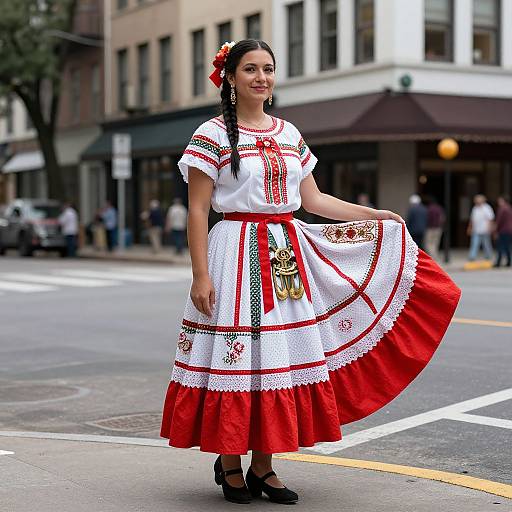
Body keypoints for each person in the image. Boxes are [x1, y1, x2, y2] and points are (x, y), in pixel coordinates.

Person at [160, 39, 461, 506]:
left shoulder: (288, 133)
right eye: (251, 69)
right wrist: (201, 276)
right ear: (231, 78)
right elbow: (198, 210)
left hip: (284, 251)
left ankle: (264, 467)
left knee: (278, 359)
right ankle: (230, 463)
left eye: (268, 69)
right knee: (239, 360)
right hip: (234, 250)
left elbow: (314, 201)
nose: (261, 78)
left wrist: (373, 215)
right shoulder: (212, 134)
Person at [467, 194, 494, 261]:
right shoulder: (475, 208)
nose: (477, 201)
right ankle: (472, 256)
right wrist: (470, 228)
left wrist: (489, 228)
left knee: (486, 244)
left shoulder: (487, 208)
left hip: (485, 229)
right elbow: (472, 219)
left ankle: (488, 255)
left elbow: (490, 219)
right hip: (476, 230)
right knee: (474, 243)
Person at [494, 195, 512, 267]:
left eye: (500, 200)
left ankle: (498, 262)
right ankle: (509, 261)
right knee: (507, 246)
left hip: (503, 230)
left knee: (500, 246)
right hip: (509, 230)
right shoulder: (509, 208)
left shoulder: (502, 209)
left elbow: (499, 221)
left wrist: (495, 230)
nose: (498, 202)